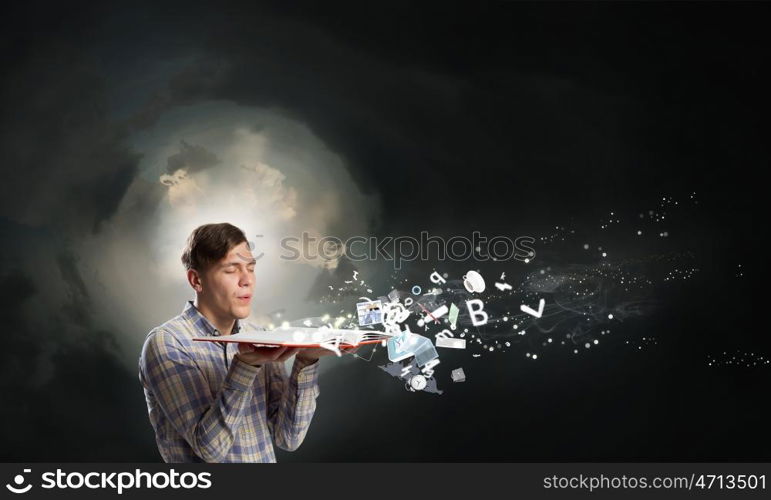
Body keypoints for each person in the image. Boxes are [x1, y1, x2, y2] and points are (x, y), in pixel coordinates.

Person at [138, 222, 340, 462]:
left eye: (251, 268)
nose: (247, 280)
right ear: (196, 280)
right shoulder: (168, 343)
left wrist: (307, 360)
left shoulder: (260, 336)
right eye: (231, 270)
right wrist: (245, 367)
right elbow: (209, 450)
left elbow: (288, 437)